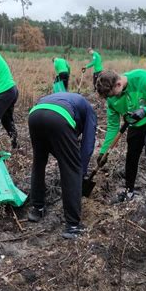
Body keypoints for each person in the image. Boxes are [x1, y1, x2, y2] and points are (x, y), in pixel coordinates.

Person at [96, 69, 146, 215]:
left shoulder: (143, 78)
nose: (110, 99)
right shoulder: (111, 99)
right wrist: (103, 152)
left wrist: (145, 111)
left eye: (112, 95)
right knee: (132, 154)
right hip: (136, 121)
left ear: (118, 84)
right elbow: (112, 126)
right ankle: (128, 191)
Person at [28, 92, 97, 239]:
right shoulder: (90, 110)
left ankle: (36, 209)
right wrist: (81, 170)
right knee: (71, 169)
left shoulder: (67, 98)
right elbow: (88, 144)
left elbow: (53, 142)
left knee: (39, 162)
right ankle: (72, 226)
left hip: (35, 114)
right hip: (59, 117)